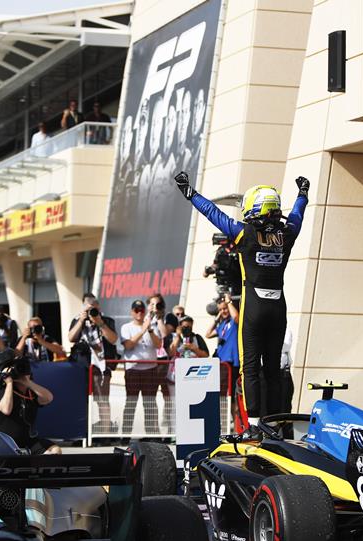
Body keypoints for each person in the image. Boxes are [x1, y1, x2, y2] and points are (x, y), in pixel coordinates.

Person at [174, 171, 309, 434]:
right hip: (279, 307)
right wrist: (303, 193)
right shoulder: (287, 234)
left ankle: (256, 426)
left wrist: (191, 194)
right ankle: (277, 423)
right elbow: (297, 215)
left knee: (250, 368)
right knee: (273, 369)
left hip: (254, 308)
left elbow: (214, 213)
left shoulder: (244, 233)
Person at [68, 293, 118, 431]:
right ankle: (81, 430)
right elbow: (71, 338)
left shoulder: (106, 320)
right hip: (82, 365)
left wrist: (99, 322)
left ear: (98, 306)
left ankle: (105, 432)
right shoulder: (78, 320)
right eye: (88, 307)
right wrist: (81, 321)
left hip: (102, 365)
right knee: (81, 399)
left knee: (103, 400)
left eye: (94, 307)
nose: (91, 310)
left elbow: (113, 339)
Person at [0, 350, 60, 455]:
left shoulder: (31, 392)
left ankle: (37, 470)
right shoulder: (5, 391)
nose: (21, 372)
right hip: (5, 440)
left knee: (55, 450)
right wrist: (9, 383)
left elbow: (48, 398)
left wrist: (27, 382)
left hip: (27, 439)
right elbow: (6, 410)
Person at [120, 299, 162, 435]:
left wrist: (149, 330)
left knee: (150, 404)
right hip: (133, 370)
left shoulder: (152, 326)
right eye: (136, 310)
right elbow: (128, 345)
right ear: (132, 312)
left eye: (142, 310)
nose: (139, 313)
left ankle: (152, 434)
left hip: (150, 370)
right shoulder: (126, 327)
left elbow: (158, 345)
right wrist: (142, 330)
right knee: (131, 403)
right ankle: (125, 434)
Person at [206, 294, 240, 412]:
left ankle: (235, 421)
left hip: (233, 363)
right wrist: (217, 317)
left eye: (224, 309)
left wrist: (229, 302)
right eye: (220, 310)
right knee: (221, 393)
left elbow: (236, 316)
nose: (223, 311)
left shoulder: (234, 322)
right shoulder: (222, 325)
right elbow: (208, 334)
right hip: (222, 363)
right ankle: (226, 419)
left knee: (233, 394)